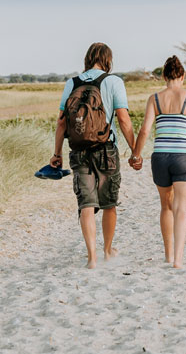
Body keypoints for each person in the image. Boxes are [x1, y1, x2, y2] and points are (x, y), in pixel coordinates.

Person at [50, 42, 138, 269]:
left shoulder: (72, 83)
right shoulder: (113, 81)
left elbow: (61, 122)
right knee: (109, 203)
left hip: (79, 150)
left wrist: (56, 153)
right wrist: (135, 150)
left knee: (86, 204)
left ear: (87, 58)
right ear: (108, 59)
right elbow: (123, 119)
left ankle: (92, 257)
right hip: (106, 150)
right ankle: (108, 251)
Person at [131, 54, 186, 268]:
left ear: (163, 75)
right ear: (183, 75)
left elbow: (144, 130)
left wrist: (136, 155)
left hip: (160, 157)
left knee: (166, 206)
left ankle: (168, 255)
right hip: (184, 157)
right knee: (182, 208)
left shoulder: (155, 98)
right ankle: (178, 261)